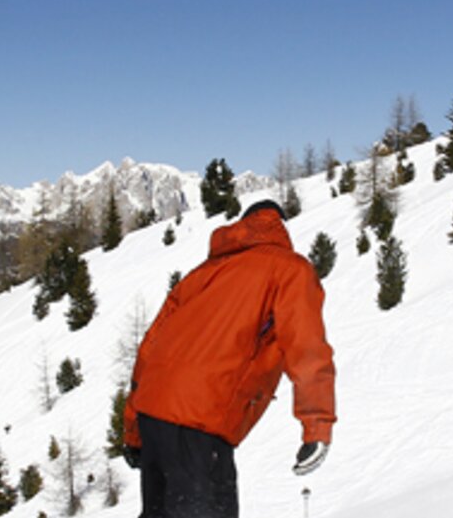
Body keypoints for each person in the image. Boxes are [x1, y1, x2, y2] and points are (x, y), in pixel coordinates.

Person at [122, 200, 337, 517]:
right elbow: (307, 348)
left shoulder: (201, 274)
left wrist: (133, 431)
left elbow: (150, 351)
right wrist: (317, 427)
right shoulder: (289, 268)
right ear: (280, 225)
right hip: (200, 420)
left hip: (153, 416)